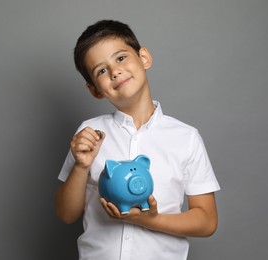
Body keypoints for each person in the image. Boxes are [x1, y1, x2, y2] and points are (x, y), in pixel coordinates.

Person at [55, 19, 220, 260]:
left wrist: (151, 220)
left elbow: (207, 221)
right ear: (94, 90)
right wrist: (81, 166)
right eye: (101, 70)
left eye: (120, 58)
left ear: (144, 58)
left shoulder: (186, 137)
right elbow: (65, 214)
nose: (115, 71)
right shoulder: (89, 133)